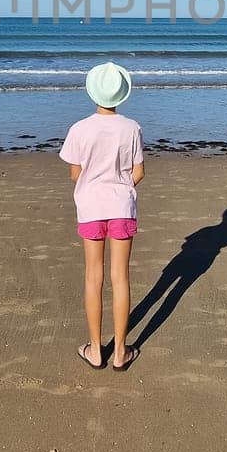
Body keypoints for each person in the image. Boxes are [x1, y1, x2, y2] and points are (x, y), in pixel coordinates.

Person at [59, 61, 144, 371]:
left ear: (92, 93)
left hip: (91, 208)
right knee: (120, 278)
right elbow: (138, 172)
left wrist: (97, 186)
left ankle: (96, 350)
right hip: (121, 206)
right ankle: (120, 352)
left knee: (93, 276)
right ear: (121, 94)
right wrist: (119, 186)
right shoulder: (131, 127)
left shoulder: (80, 128)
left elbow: (74, 173)